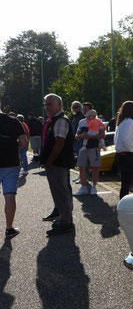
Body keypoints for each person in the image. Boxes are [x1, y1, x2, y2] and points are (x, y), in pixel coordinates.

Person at [40, 94, 75, 236]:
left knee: (61, 192)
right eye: (45, 104)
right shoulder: (55, 120)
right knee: (60, 192)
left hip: (58, 163)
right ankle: (64, 219)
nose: (46, 107)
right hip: (57, 163)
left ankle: (65, 222)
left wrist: (49, 161)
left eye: (49, 104)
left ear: (59, 105)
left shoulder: (60, 120)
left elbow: (59, 143)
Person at [0, 106, 28, 238]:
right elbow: (24, 142)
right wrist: (12, 146)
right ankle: (9, 228)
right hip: (10, 163)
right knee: (10, 196)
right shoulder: (13, 121)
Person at [74, 104, 105, 196]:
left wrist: (90, 136)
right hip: (84, 147)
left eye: (86, 110)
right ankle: (83, 187)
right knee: (81, 167)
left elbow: (102, 135)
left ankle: (94, 187)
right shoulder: (82, 121)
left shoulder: (99, 122)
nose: (84, 111)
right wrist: (81, 136)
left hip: (94, 147)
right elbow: (76, 136)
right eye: (83, 109)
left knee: (95, 167)